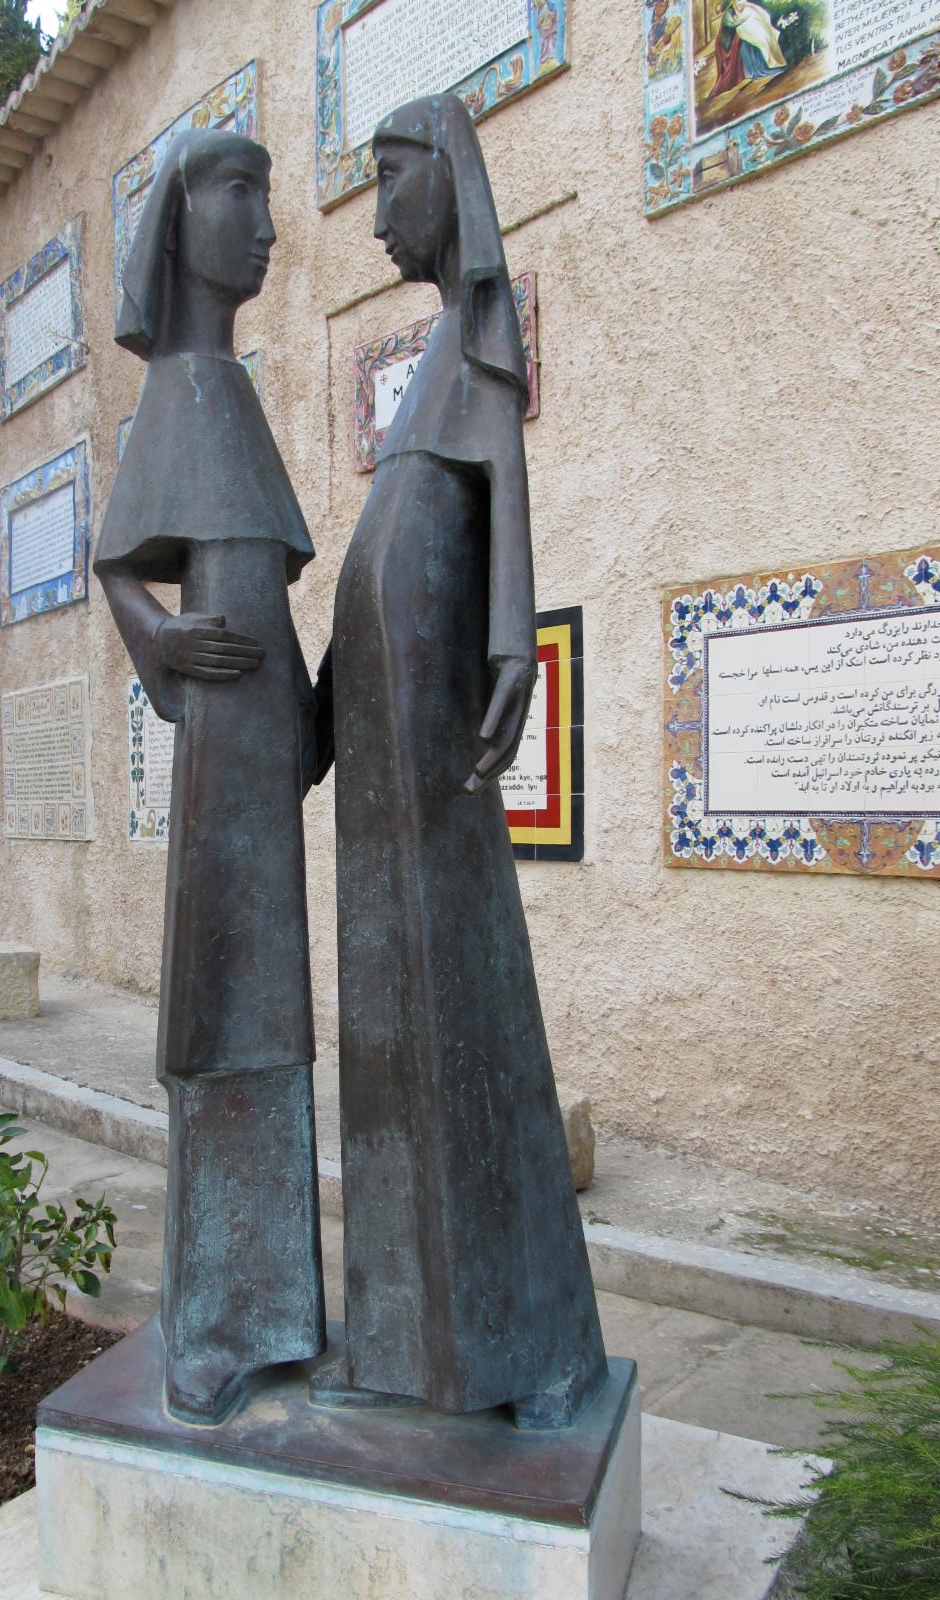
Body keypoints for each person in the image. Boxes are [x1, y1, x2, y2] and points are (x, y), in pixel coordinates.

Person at [315, 94, 607, 1428]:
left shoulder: (479, 328)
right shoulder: (434, 344)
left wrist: (511, 645)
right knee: (392, 1022)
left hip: (431, 717)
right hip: (382, 722)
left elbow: (498, 493)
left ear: (445, 179)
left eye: (390, 182)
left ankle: (511, 1342)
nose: (376, 214)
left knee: (457, 1014)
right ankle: (405, 1342)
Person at [94, 129, 325, 1425]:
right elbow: (118, 562)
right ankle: (214, 1324)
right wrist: (167, 640)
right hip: (219, 775)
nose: (268, 226)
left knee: (272, 1026)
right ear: (186, 223)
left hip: (261, 759)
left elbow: (265, 590)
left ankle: (277, 1312)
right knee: (222, 1017)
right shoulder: (181, 385)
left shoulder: (223, 388)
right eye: (244, 196)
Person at [711, 0, 787, 97]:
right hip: (727, 45)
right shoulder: (727, 16)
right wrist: (744, 18)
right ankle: (756, 70)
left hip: (734, 38)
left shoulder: (735, 9)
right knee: (747, 43)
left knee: (755, 38)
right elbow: (733, 24)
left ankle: (764, 65)